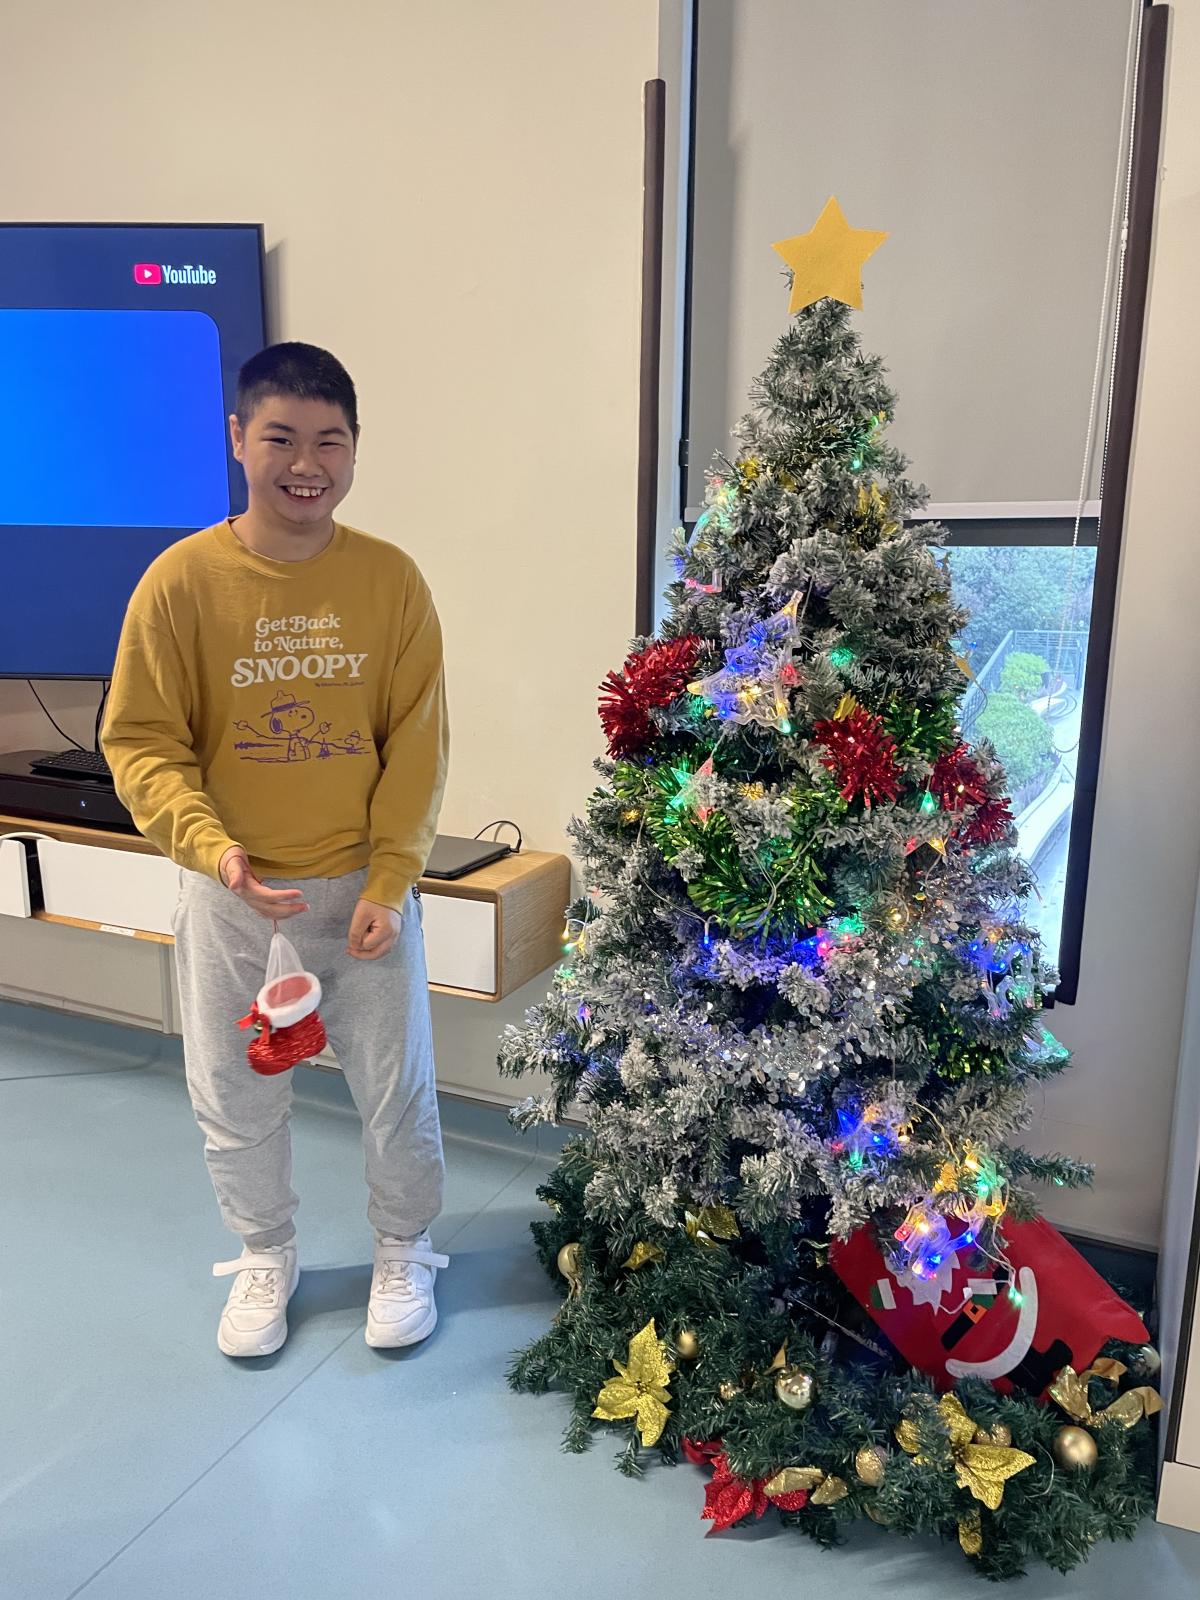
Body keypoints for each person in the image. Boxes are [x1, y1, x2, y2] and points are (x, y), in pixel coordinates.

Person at [103, 342, 450, 1358]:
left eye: (329, 442)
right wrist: (214, 851)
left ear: (355, 449)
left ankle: (404, 1245)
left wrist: (392, 877)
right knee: (233, 1083)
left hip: (364, 892)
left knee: (395, 1087)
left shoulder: (390, 580)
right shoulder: (179, 584)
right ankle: (266, 1250)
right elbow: (142, 741)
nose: (307, 465)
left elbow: (417, 745)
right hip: (233, 896)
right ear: (237, 440)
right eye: (281, 439)